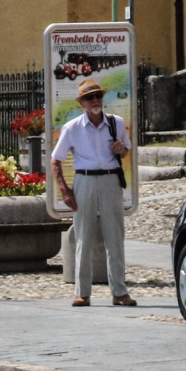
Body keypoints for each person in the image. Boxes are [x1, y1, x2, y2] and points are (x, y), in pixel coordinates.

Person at [50, 78, 135, 307]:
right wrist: (64, 189)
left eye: (97, 96)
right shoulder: (72, 127)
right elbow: (55, 161)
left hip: (110, 180)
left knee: (115, 237)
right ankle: (82, 292)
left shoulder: (115, 122)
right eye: (89, 98)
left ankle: (119, 291)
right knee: (83, 237)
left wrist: (122, 149)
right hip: (84, 180)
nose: (95, 100)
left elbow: (126, 149)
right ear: (82, 103)